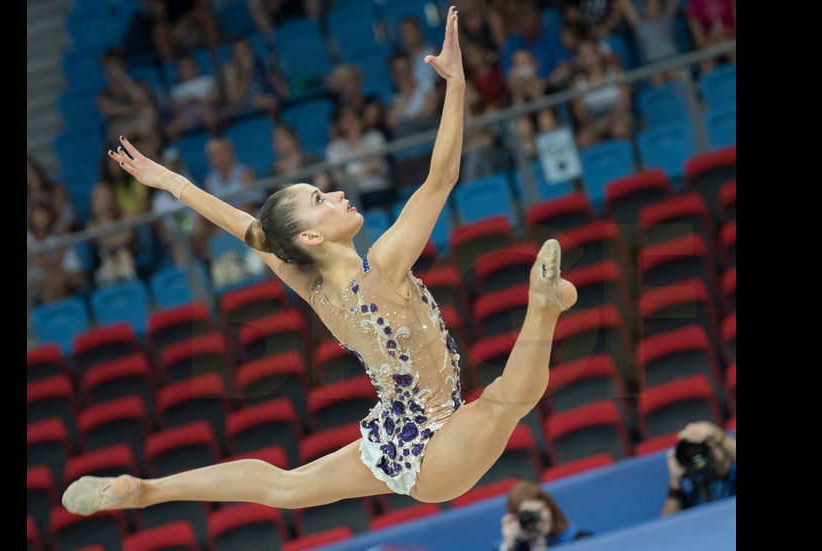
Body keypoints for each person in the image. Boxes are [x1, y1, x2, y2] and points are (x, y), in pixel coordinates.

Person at [63, 8, 579, 518]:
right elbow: (440, 179)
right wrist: (457, 85)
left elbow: (252, 234)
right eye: (320, 197)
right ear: (310, 234)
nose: (335, 193)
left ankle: (147, 490)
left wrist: (175, 184)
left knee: (283, 487)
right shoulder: (382, 265)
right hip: (442, 446)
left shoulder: (316, 291)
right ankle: (542, 306)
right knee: (504, 402)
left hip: (394, 440)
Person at [326, 104, 393, 212]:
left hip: (381, 189)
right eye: (345, 119)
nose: (351, 122)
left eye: (354, 117)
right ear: (338, 124)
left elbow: (382, 170)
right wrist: (368, 169)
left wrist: (354, 175)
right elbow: (338, 179)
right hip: (354, 196)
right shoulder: (334, 149)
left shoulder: (375, 137)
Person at [662, 421, 736, 516]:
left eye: (708, 447)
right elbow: (665, 526)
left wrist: (720, 437)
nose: (699, 458)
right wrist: (675, 484)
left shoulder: (733, 474)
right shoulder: (693, 490)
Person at [570, 39, 632, 148]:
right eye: (583, 54)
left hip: (618, 115)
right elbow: (580, 114)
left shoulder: (615, 72)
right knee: (583, 140)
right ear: (579, 59)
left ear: (598, 53)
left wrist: (613, 118)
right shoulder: (576, 83)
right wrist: (594, 124)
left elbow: (626, 101)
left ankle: (630, 163)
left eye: (590, 52)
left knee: (619, 129)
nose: (587, 56)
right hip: (593, 122)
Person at [497, 480, 593, 550]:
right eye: (528, 516)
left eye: (539, 511)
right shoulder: (509, 547)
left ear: (551, 509)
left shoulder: (578, 539)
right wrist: (509, 545)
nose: (538, 519)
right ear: (515, 519)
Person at [97, 49, 161, 152]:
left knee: (149, 113)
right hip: (120, 127)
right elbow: (112, 110)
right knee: (143, 119)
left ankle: (150, 151)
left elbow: (143, 98)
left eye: (116, 67)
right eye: (110, 68)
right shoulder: (104, 95)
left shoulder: (137, 84)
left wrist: (125, 80)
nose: (114, 72)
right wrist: (135, 108)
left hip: (142, 124)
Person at [27, 200, 87, 304]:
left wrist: (45, 263)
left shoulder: (60, 232)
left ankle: (60, 315)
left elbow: (56, 261)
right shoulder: (28, 238)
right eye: (36, 216)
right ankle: (62, 315)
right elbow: (37, 262)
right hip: (44, 278)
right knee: (52, 281)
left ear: (49, 216)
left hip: (68, 272)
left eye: (42, 214)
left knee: (54, 280)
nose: (40, 219)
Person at [86, 182, 140, 287]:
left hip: (128, 252)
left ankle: (130, 286)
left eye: (103, 196)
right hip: (105, 257)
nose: (101, 200)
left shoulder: (123, 214)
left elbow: (126, 237)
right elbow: (101, 243)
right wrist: (102, 216)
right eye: (97, 197)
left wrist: (109, 240)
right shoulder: (92, 223)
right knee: (108, 262)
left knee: (123, 254)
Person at [162, 53, 224, 142]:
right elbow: (175, 111)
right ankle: (184, 147)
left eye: (188, 66)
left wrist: (201, 100)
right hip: (187, 115)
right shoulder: (177, 90)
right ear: (178, 72)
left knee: (209, 118)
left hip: (205, 109)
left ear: (195, 67)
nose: (186, 70)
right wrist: (186, 104)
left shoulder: (206, 80)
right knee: (170, 129)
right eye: (182, 68)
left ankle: (216, 141)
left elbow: (217, 98)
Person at [221, 36, 290, 115]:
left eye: (247, 49)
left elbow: (285, 93)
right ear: (234, 57)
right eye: (240, 53)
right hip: (246, 110)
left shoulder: (264, 63)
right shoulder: (231, 72)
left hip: (272, 103)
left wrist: (273, 79)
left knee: (270, 101)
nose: (246, 54)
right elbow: (235, 103)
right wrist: (247, 73)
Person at [622, 0, 681, 85]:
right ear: (644, 8)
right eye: (650, 5)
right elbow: (627, 7)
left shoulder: (667, 18)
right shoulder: (640, 25)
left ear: (661, 6)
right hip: (653, 62)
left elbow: (673, 2)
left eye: (656, 4)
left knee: (679, 83)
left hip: (672, 57)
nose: (653, 7)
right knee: (659, 85)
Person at [269, 123, 331, 192]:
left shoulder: (312, 159)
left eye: (282, 138)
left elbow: (323, 183)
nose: (278, 143)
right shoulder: (272, 173)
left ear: (293, 138)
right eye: (275, 139)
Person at [27, 156, 77, 236]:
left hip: (61, 233)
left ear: (38, 171)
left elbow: (68, 220)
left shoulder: (57, 191)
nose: (30, 178)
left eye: (31, 173)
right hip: (36, 240)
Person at [684, 0, 736, 72]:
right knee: (706, 59)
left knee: (729, 46)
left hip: (731, 38)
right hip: (711, 42)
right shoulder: (694, 5)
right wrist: (712, 39)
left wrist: (727, 34)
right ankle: (709, 79)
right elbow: (699, 40)